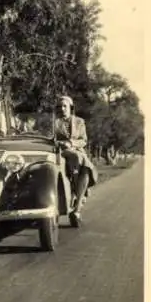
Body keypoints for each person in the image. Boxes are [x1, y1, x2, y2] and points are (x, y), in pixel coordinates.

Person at [54, 95, 98, 225]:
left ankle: (77, 209)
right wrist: (62, 143)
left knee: (86, 168)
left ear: (70, 108)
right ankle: (74, 188)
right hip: (60, 151)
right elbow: (49, 138)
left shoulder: (79, 121)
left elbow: (83, 140)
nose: (62, 109)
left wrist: (72, 143)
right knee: (76, 157)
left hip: (76, 150)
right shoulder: (53, 123)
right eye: (59, 106)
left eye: (64, 106)